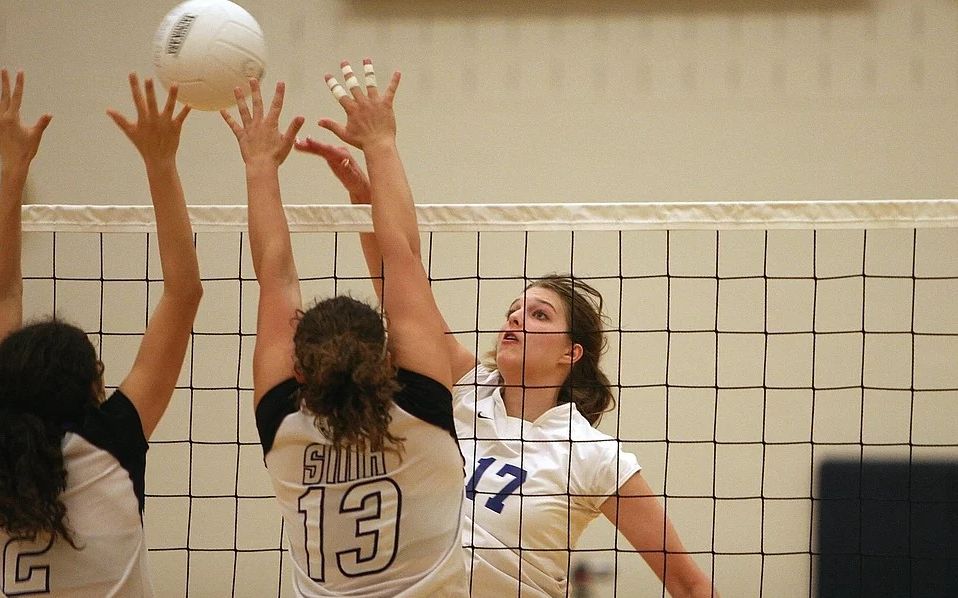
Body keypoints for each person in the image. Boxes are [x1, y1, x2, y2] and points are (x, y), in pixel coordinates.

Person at [298, 82, 720, 598]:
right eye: (514, 310)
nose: (516, 320)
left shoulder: (594, 455)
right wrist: (364, 199)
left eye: (539, 314)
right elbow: (399, 278)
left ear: (572, 353)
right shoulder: (465, 387)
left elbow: (689, 582)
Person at [220, 64, 468, 597]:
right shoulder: (420, 411)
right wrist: (381, 141)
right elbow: (399, 250)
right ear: (385, 356)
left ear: (297, 367)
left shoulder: (284, 430)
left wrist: (259, 164)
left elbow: (273, 273)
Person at [0, 70, 202, 596]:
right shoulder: (111, 442)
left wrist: (13, 168)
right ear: (93, 388)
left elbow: (3, 296)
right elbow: (184, 293)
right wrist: (161, 163)